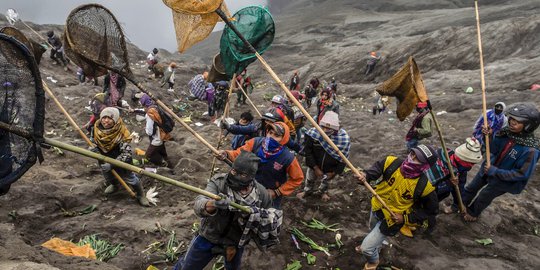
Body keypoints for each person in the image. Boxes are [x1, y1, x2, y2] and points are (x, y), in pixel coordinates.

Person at [173, 151, 280, 270]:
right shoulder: (219, 182)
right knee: (187, 266)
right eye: (234, 171)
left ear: (251, 176)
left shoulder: (261, 194)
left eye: (242, 175)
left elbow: (270, 216)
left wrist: (256, 216)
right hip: (208, 236)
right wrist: (214, 203)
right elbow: (199, 204)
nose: (235, 175)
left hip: (235, 243)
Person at [355, 145, 439, 269]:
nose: (411, 158)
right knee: (372, 227)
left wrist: (405, 218)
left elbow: (431, 210)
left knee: (366, 249)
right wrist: (364, 176)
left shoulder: (424, 187)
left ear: (425, 166)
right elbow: (372, 173)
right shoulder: (391, 162)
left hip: (393, 220)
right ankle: (376, 246)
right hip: (376, 206)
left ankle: (373, 261)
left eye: (417, 159)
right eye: (412, 153)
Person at [462, 103, 540, 222]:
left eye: (517, 122)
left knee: (484, 196)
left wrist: (495, 171)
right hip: (488, 167)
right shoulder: (505, 133)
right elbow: (492, 149)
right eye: (511, 120)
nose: (511, 123)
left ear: (529, 126)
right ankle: (458, 205)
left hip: (503, 180)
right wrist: (487, 137)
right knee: (471, 188)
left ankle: (473, 212)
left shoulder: (531, 150)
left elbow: (521, 174)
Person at [219, 122, 304, 209]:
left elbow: (297, 178)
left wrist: (277, 192)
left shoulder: (288, 158)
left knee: (268, 217)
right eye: (270, 133)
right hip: (249, 186)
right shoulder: (255, 143)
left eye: (276, 135)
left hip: (270, 193)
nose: (271, 137)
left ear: (284, 139)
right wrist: (226, 154)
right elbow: (239, 154)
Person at [91, 107, 150, 206]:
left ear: (115, 120)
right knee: (108, 176)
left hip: (121, 161)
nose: (106, 121)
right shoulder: (96, 128)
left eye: (110, 118)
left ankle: (141, 194)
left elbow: (126, 154)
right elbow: (93, 141)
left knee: (131, 179)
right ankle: (115, 185)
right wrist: (93, 149)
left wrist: (112, 164)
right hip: (103, 158)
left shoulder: (122, 133)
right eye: (104, 117)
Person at [297, 112, 350, 202]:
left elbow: (343, 159)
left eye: (328, 128)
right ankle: (307, 191)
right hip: (315, 163)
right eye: (323, 127)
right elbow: (308, 152)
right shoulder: (313, 134)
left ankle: (322, 192)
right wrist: (315, 167)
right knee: (310, 178)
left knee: (326, 181)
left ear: (336, 129)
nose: (325, 130)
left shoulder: (343, 139)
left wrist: (334, 172)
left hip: (330, 167)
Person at [424, 137, 483, 214]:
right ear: (461, 159)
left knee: (453, 189)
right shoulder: (438, 161)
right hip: (426, 190)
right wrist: (448, 184)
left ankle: (455, 205)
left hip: (443, 186)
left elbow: (459, 186)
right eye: (470, 163)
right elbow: (427, 185)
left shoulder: (461, 169)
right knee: (437, 196)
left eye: (473, 164)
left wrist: (459, 204)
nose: (471, 166)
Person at [139, 94, 173, 168]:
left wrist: (145, 129)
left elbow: (149, 132)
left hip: (156, 139)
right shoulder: (155, 107)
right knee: (162, 153)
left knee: (149, 156)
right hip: (163, 135)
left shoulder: (149, 114)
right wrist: (134, 110)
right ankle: (170, 167)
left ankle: (163, 164)